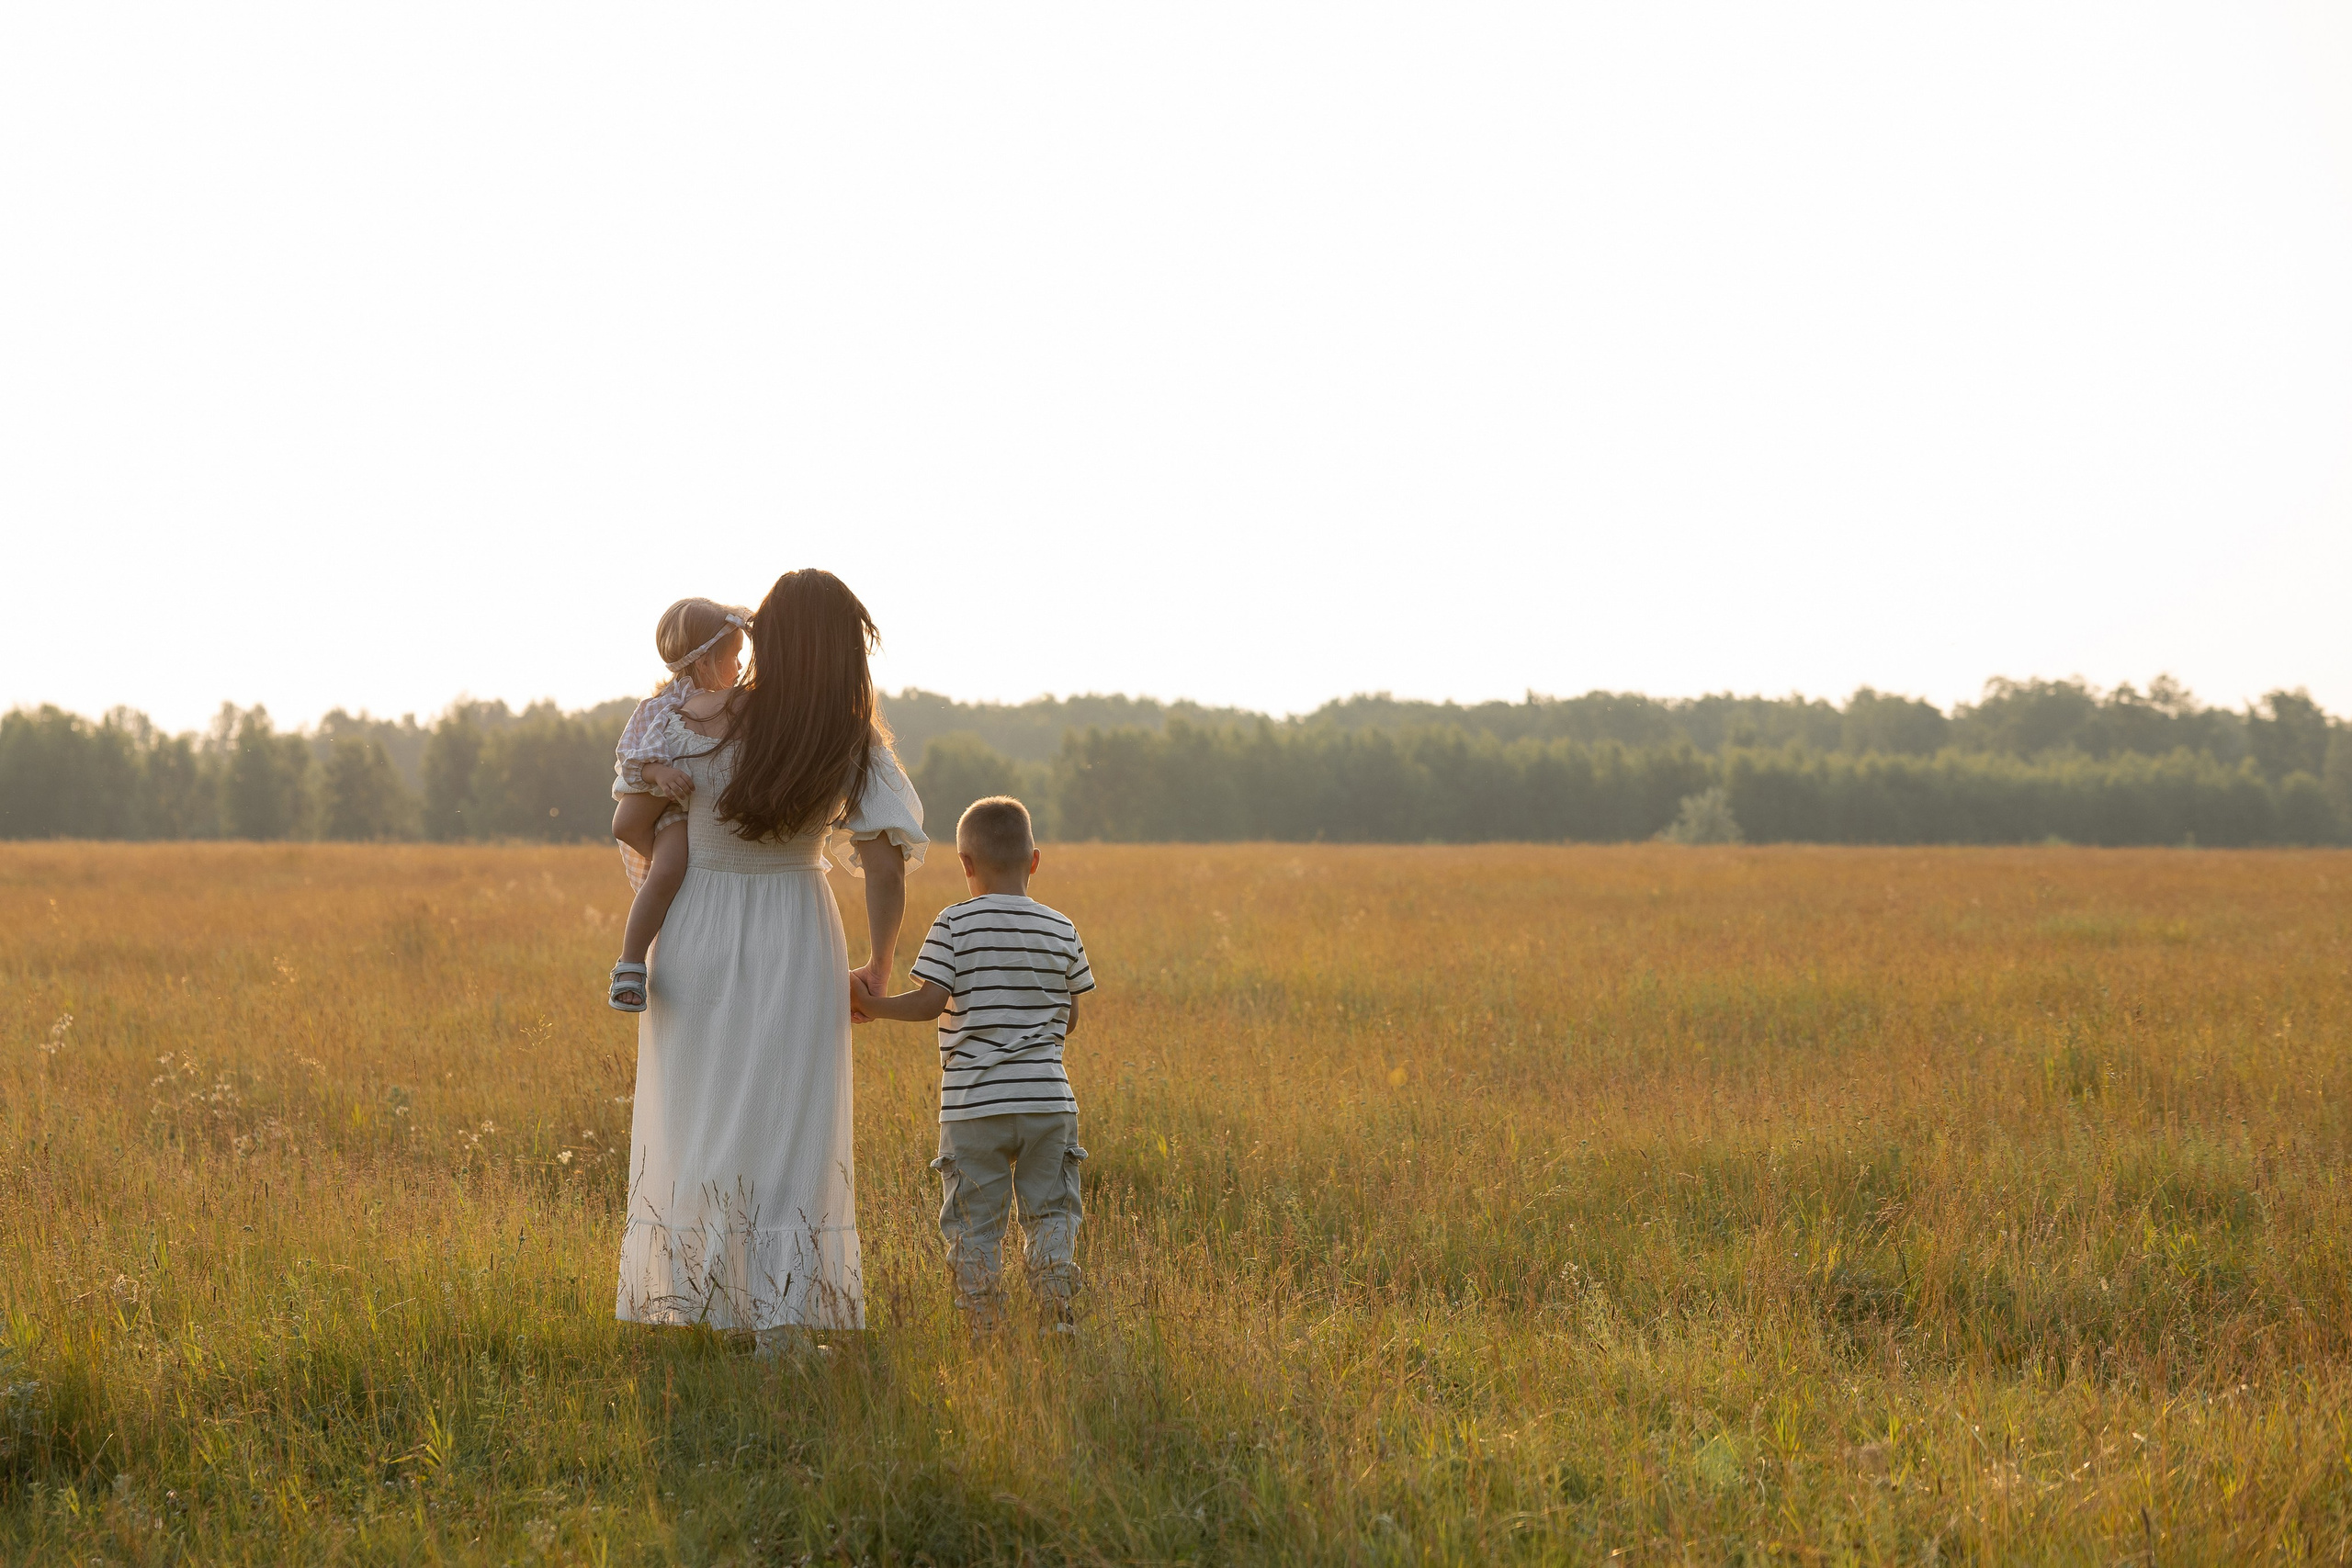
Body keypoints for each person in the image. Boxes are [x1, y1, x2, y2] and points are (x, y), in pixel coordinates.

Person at [614, 570, 924, 1343]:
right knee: (791, 1120)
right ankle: (783, 1326)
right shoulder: (849, 736)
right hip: (795, 925)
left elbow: (632, 821)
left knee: (702, 1114)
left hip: (696, 924)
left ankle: (698, 1303)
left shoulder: (698, 717)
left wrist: (679, 819)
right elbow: (885, 864)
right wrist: (880, 966)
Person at [852, 795, 1095, 1333]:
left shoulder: (953, 925)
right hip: (1048, 1103)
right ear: (1034, 860)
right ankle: (1056, 1313)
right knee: (1053, 1211)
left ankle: (982, 1321)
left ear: (965, 863)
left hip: (973, 1107)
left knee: (972, 1222)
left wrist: (871, 1005)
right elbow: (1070, 1017)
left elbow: (928, 1003)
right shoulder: (1062, 927)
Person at [605, 597, 752, 1012]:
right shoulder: (666, 707)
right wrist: (660, 775)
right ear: (704, 660)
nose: (739, 668)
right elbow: (634, 759)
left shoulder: (722, 705)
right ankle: (630, 963)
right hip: (672, 809)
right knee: (669, 869)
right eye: (733, 657)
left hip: (692, 810)